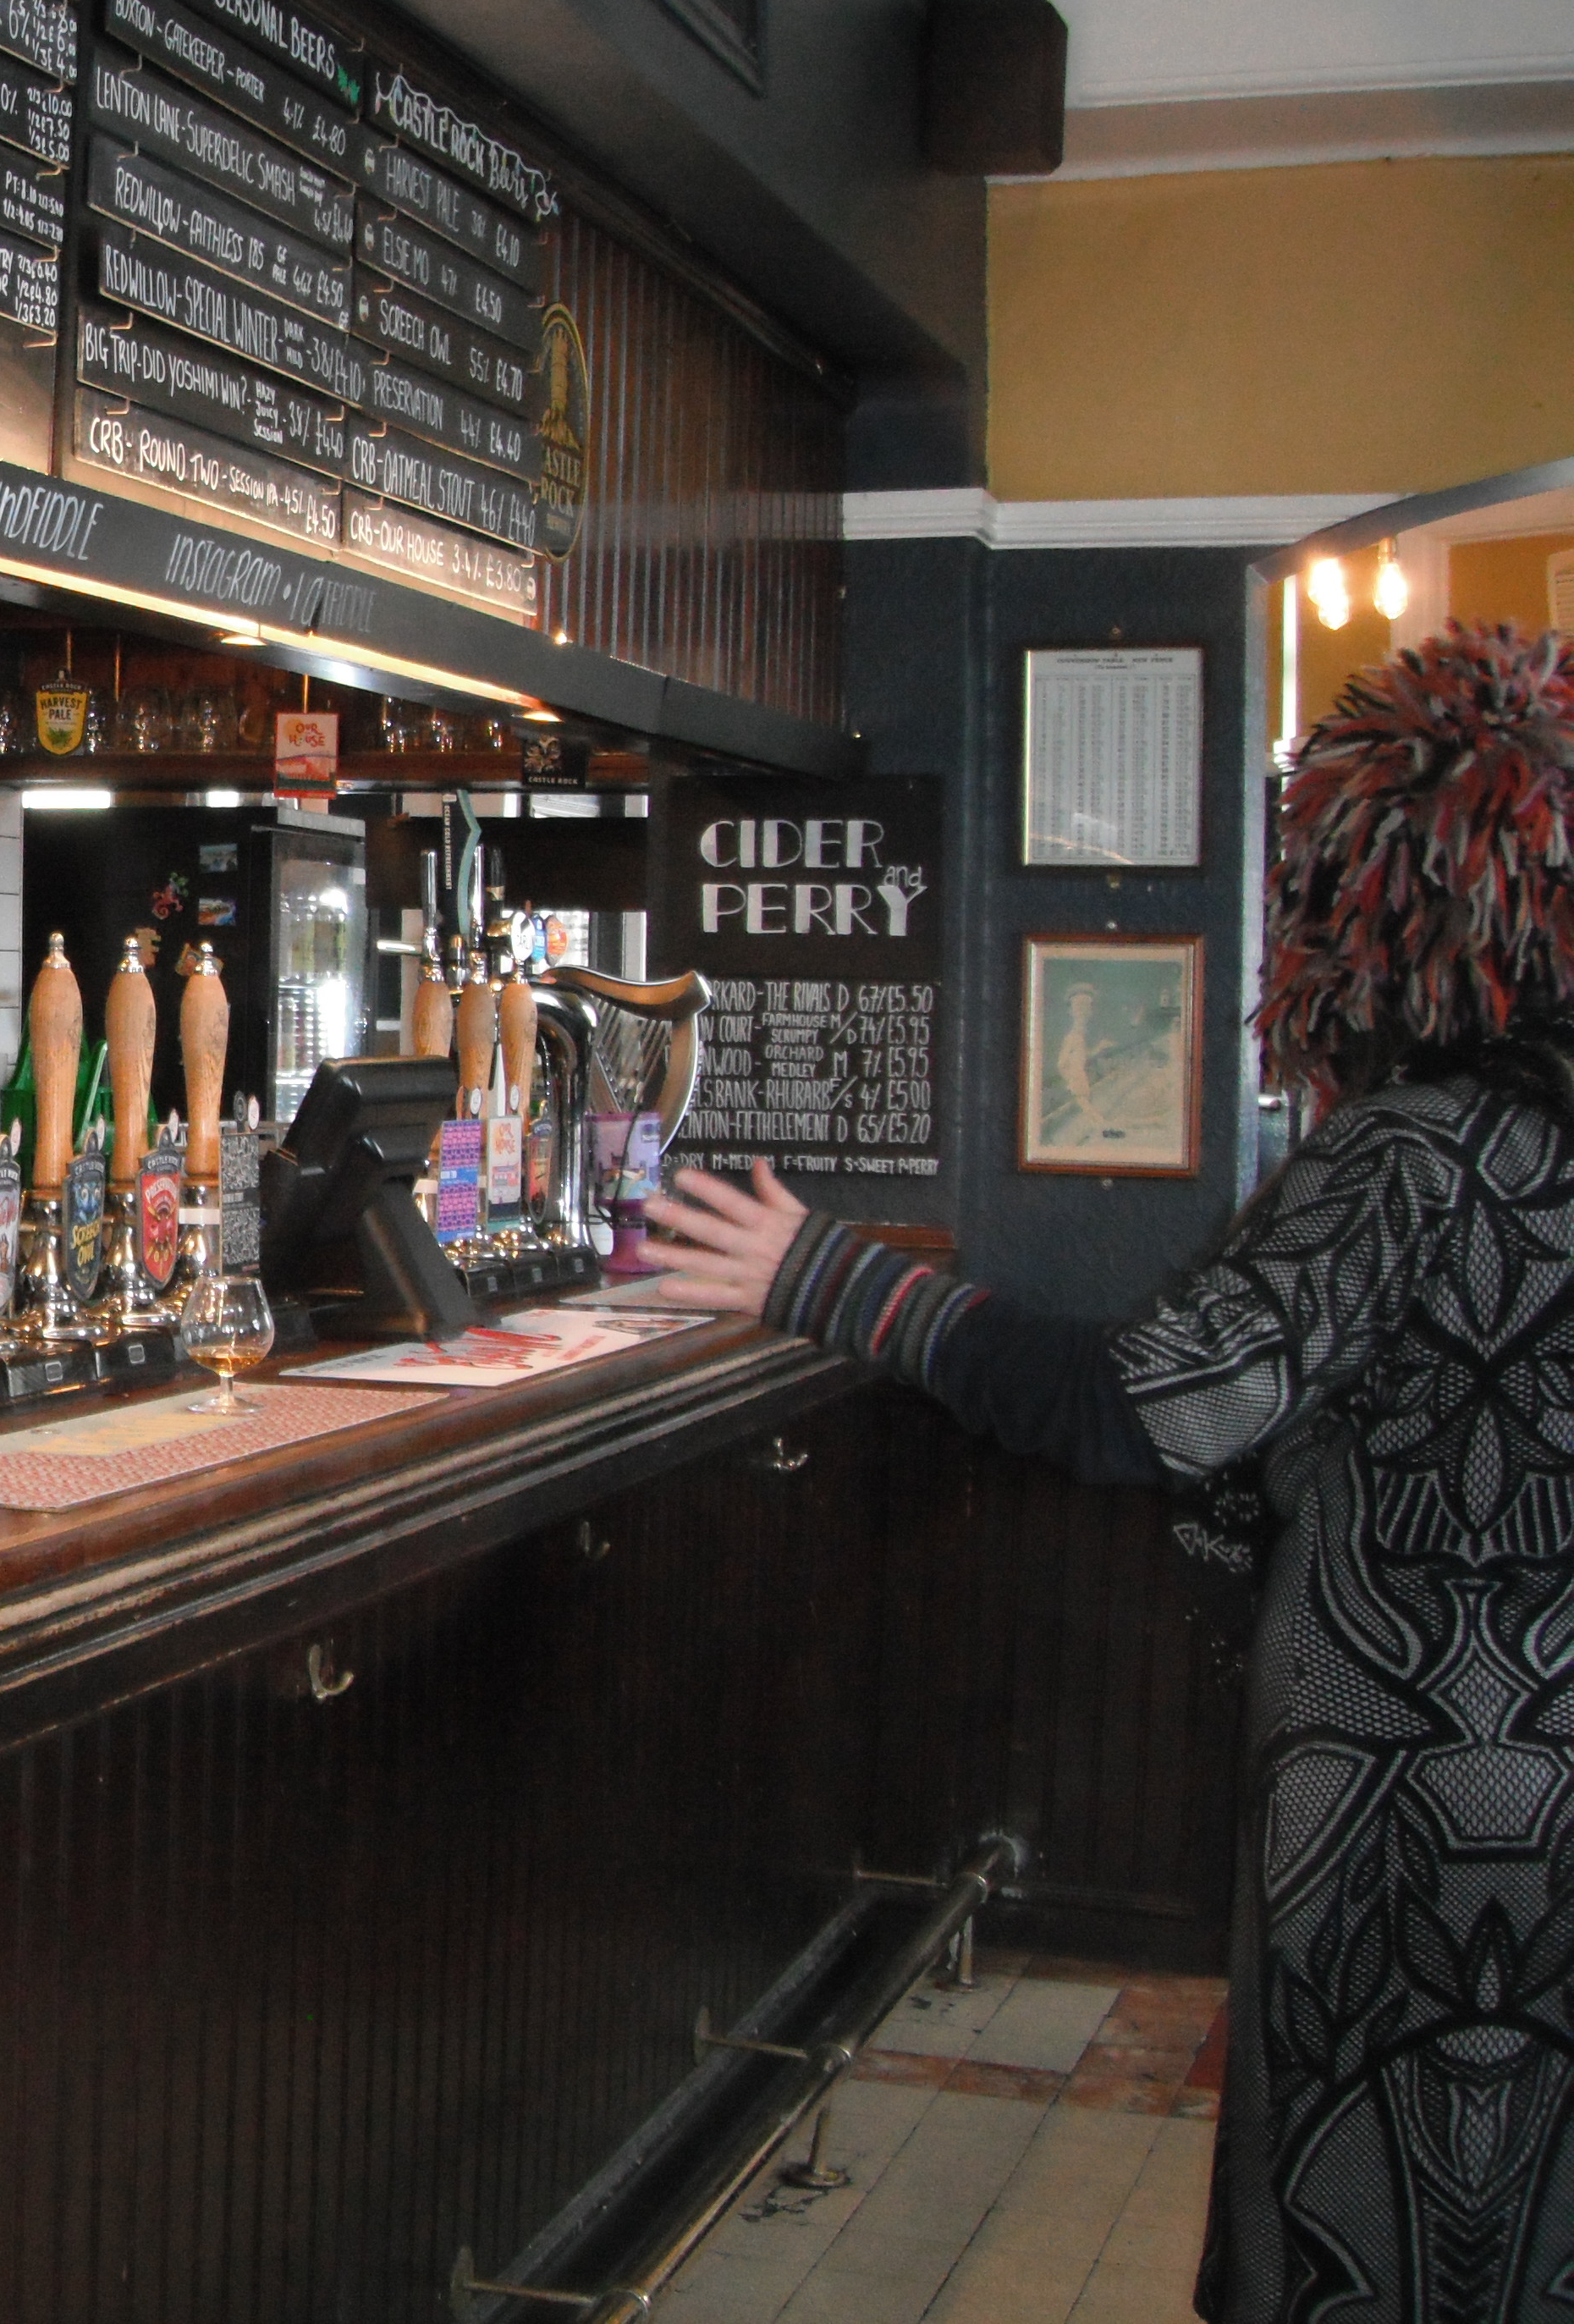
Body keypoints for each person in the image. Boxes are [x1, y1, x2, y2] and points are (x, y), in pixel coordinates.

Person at [643, 617, 1574, 2324]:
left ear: (1379, 910)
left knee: (1371, 2238)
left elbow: (1143, 1409)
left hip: (1396, 1804)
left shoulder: (1407, 1158)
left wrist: (824, 1276)